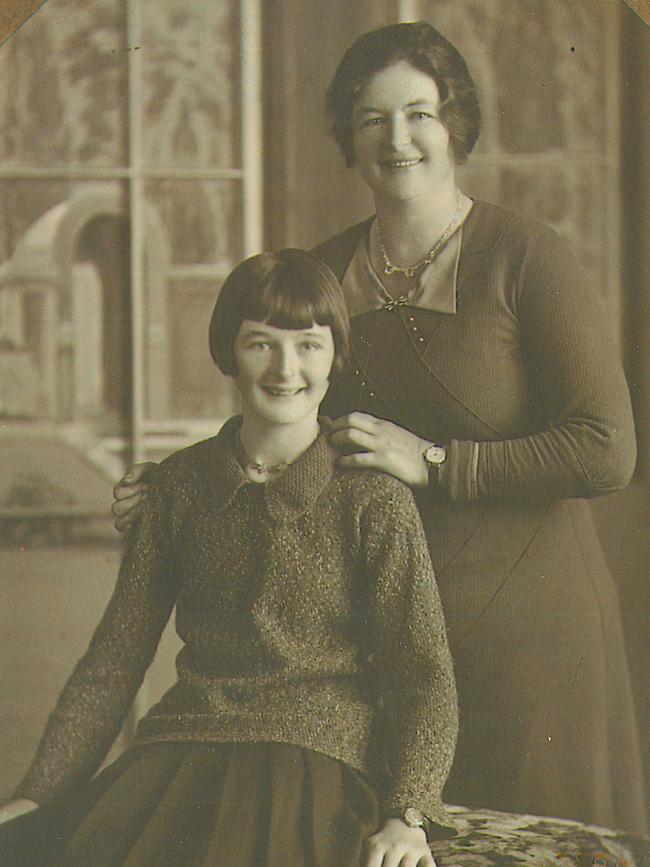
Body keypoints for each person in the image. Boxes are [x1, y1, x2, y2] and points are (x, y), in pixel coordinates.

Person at [112, 21, 647, 833]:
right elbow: (287, 427)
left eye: (420, 114)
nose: (397, 138)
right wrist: (175, 488)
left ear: (455, 124)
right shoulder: (323, 271)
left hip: (529, 635)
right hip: (375, 640)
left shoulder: (527, 254)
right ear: (349, 136)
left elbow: (608, 446)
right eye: (373, 119)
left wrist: (433, 462)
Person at [0, 249, 458, 867]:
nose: (286, 369)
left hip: (316, 756)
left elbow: (421, 667)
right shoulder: (177, 488)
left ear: (335, 357)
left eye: (309, 345)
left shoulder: (372, 499)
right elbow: (116, 656)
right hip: (181, 744)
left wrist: (409, 813)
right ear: (228, 354)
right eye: (260, 344)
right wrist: (39, 792)